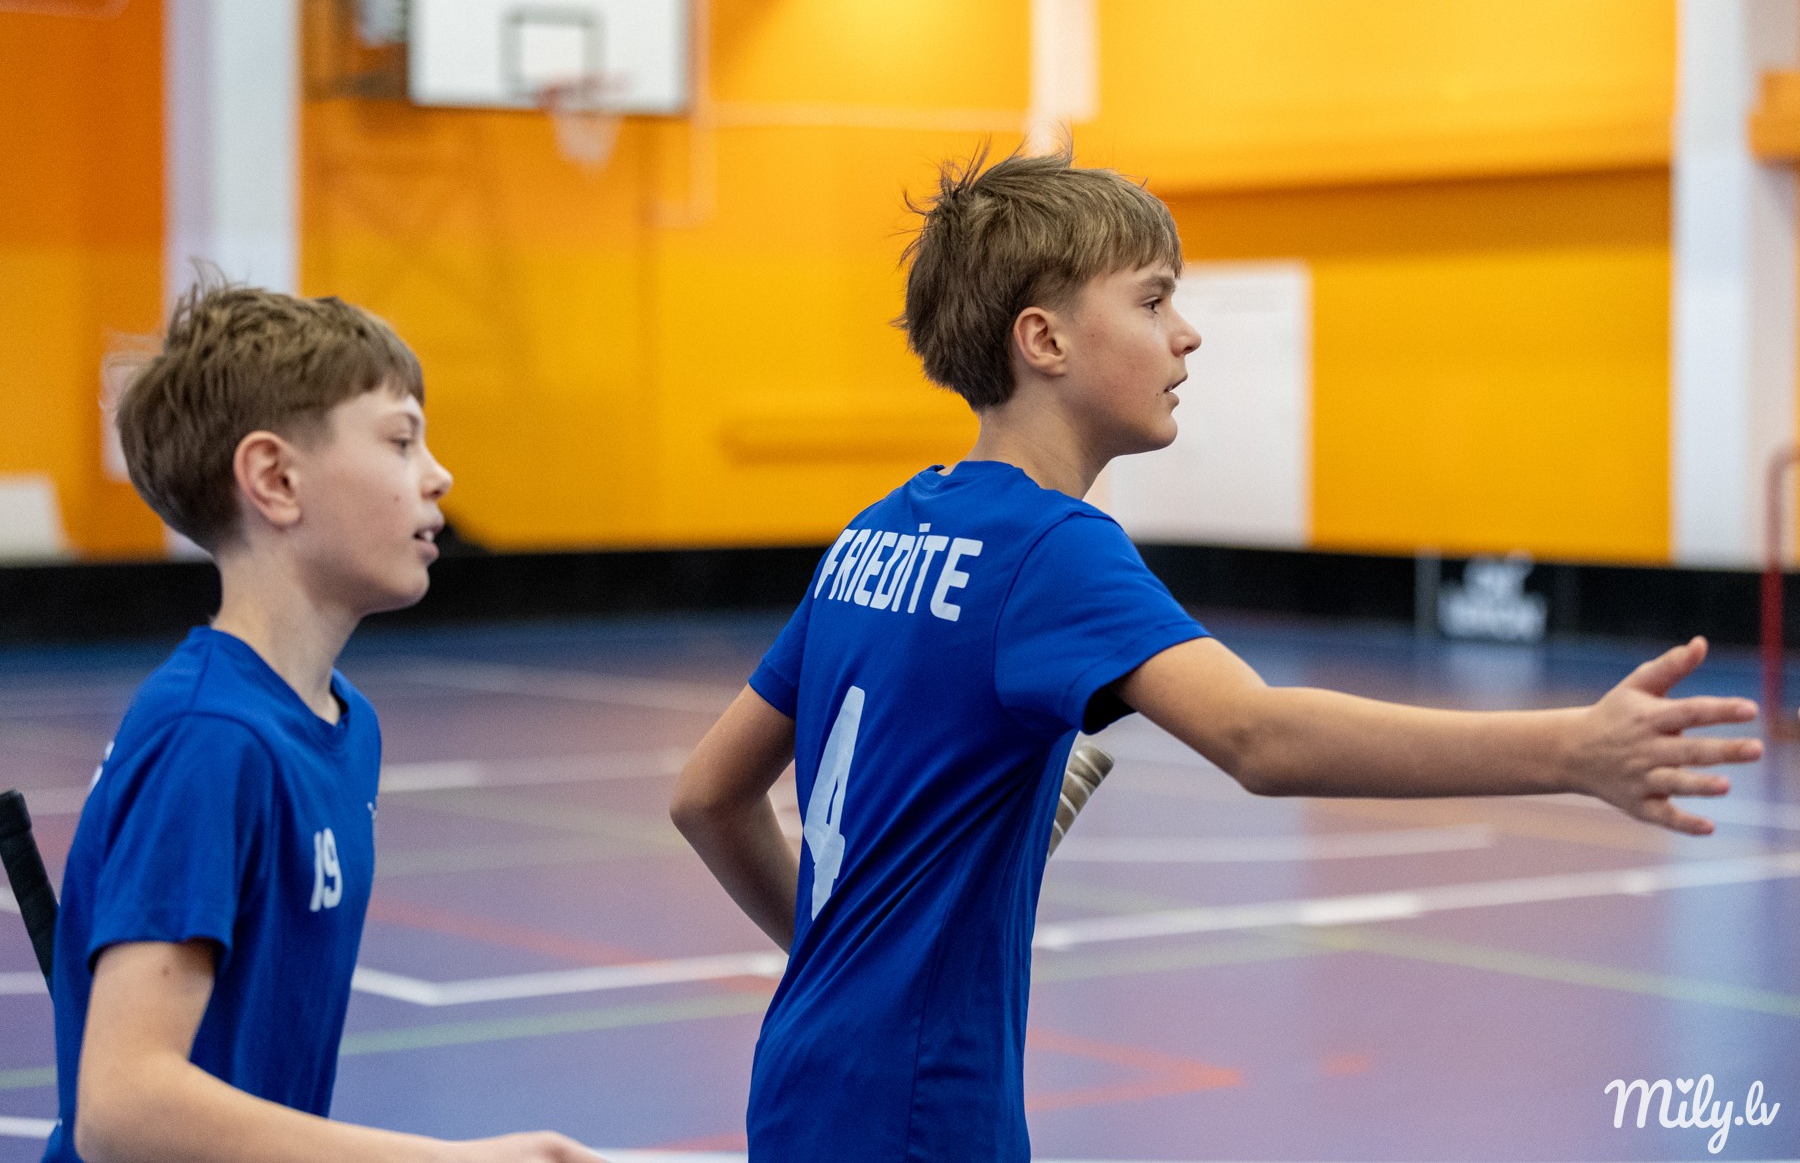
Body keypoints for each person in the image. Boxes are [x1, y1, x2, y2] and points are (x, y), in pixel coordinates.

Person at [669, 144, 1764, 1163]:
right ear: (1044, 340)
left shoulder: (875, 534)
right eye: (1153, 301)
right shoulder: (1049, 549)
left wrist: (846, 954)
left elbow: (707, 797)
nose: (1186, 334)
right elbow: (1259, 736)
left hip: (807, 1070)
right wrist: (1572, 751)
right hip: (920, 1108)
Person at [44, 280, 604, 1163]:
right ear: (275, 479)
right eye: (401, 440)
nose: (439, 475)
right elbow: (122, 1109)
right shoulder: (210, 736)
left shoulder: (343, 725)